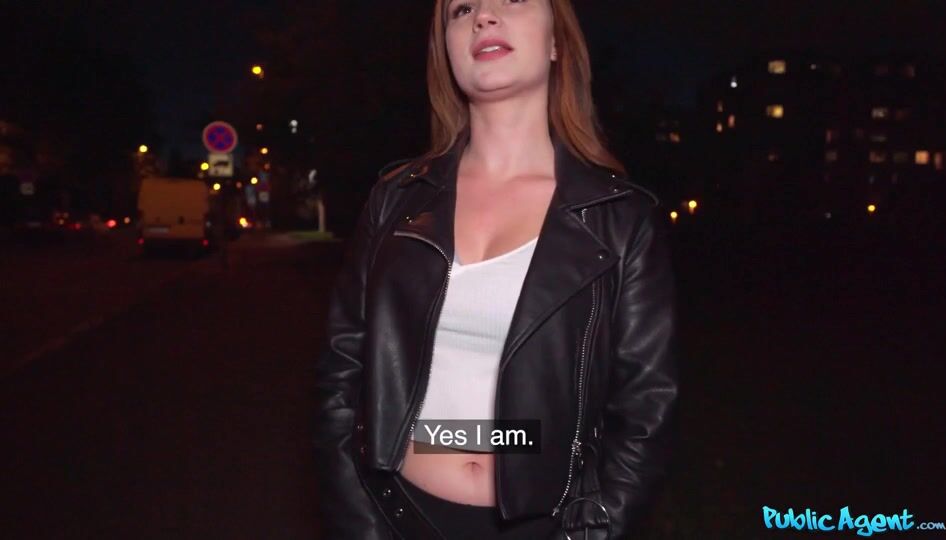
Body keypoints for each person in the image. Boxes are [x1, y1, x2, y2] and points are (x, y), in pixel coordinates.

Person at [312, 1, 679, 538]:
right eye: (462, 9)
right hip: (396, 517)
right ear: (446, 50)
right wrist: (360, 525)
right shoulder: (396, 199)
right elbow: (340, 378)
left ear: (556, 42)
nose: (483, 16)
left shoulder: (621, 220)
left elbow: (647, 410)